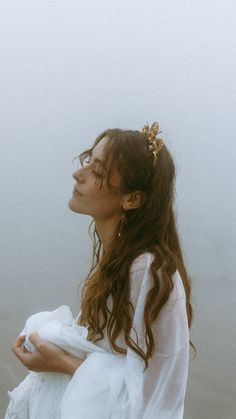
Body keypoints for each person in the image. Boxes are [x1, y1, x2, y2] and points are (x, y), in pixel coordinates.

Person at [11, 122, 194, 418]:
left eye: (97, 172)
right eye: (88, 161)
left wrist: (61, 363)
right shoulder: (118, 261)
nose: (77, 174)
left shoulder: (148, 270)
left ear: (132, 199)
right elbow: (110, 357)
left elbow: (156, 397)